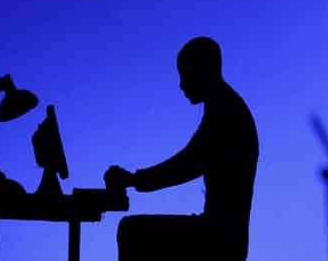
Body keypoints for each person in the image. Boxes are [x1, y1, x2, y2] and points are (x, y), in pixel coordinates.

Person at [106, 37, 259, 261]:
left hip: (221, 239)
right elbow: (191, 159)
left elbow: (186, 164)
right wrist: (136, 180)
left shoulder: (226, 112)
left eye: (186, 74)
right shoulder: (224, 106)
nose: (182, 84)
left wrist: (134, 180)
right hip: (224, 236)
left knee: (131, 231)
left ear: (204, 71)